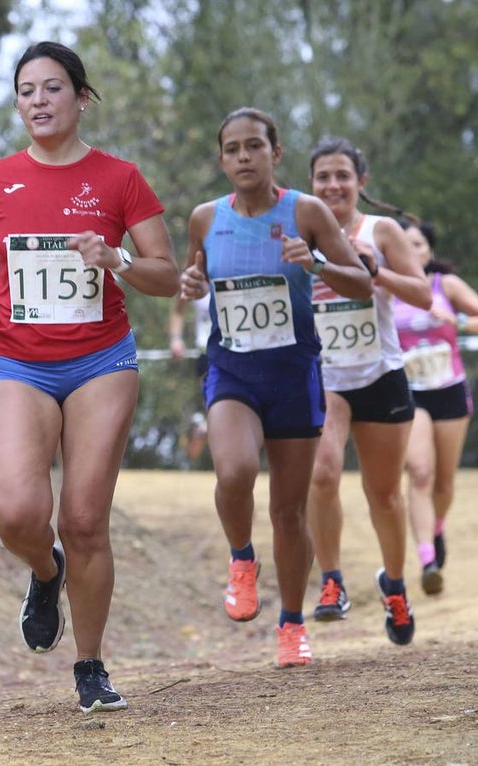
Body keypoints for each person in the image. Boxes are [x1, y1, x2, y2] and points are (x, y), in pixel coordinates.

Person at [0, 41, 179, 714]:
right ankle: (44, 572)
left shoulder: (120, 179)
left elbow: (166, 275)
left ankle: (90, 665)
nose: (40, 101)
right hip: (20, 359)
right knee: (17, 512)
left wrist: (117, 259)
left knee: (85, 519)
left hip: (101, 360)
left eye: (54, 88)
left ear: (81, 98)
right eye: (27, 90)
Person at [179, 107, 373, 668]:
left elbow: (361, 281)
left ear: (275, 153)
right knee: (235, 470)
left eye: (254, 146)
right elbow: (190, 280)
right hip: (233, 370)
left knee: (289, 511)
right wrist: (190, 283)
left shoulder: (306, 212)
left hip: (293, 373)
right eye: (233, 148)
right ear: (221, 159)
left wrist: (314, 263)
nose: (243, 156)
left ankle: (291, 623)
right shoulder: (204, 218)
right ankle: (242, 559)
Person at [304, 138, 432, 646]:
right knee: (321, 473)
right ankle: (332, 581)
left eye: (342, 176)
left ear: (361, 182)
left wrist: (375, 271)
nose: (332, 185)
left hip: (380, 374)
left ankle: (394, 585)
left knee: (383, 494)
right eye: (322, 177)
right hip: (325, 374)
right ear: (310, 183)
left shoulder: (383, 231)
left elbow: (422, 294)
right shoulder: (299, 228)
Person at [393, 220, 478, 596]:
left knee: (444, 482)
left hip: (449, 390)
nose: (412, 252)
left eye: (418, 244)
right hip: (409, 393)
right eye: (403, 245)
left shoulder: (444, 285)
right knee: (420, 472)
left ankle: (437, 528)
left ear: (430, 250)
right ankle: (427, 560)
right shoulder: (384, 289)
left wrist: (458, 320)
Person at [167, 293, 212, 461]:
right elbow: (178, 308)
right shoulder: (196, 275)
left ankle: (204, 427)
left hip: (241, 354)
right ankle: (205, 427)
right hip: (206, 354)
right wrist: (175, 339)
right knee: (215, 406)